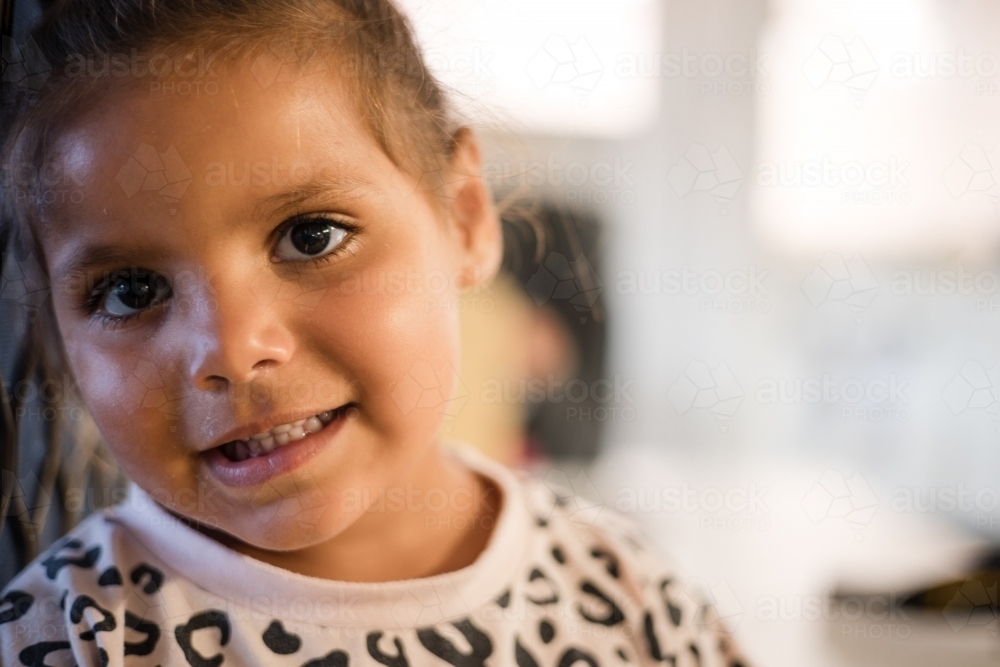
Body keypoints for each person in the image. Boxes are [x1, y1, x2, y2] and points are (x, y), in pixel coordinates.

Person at [0, 1, 749, 665]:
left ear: (464, 216)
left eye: (312, 235)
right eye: (132, 291)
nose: (232, 349)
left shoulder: (629, 594)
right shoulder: (62, 636)